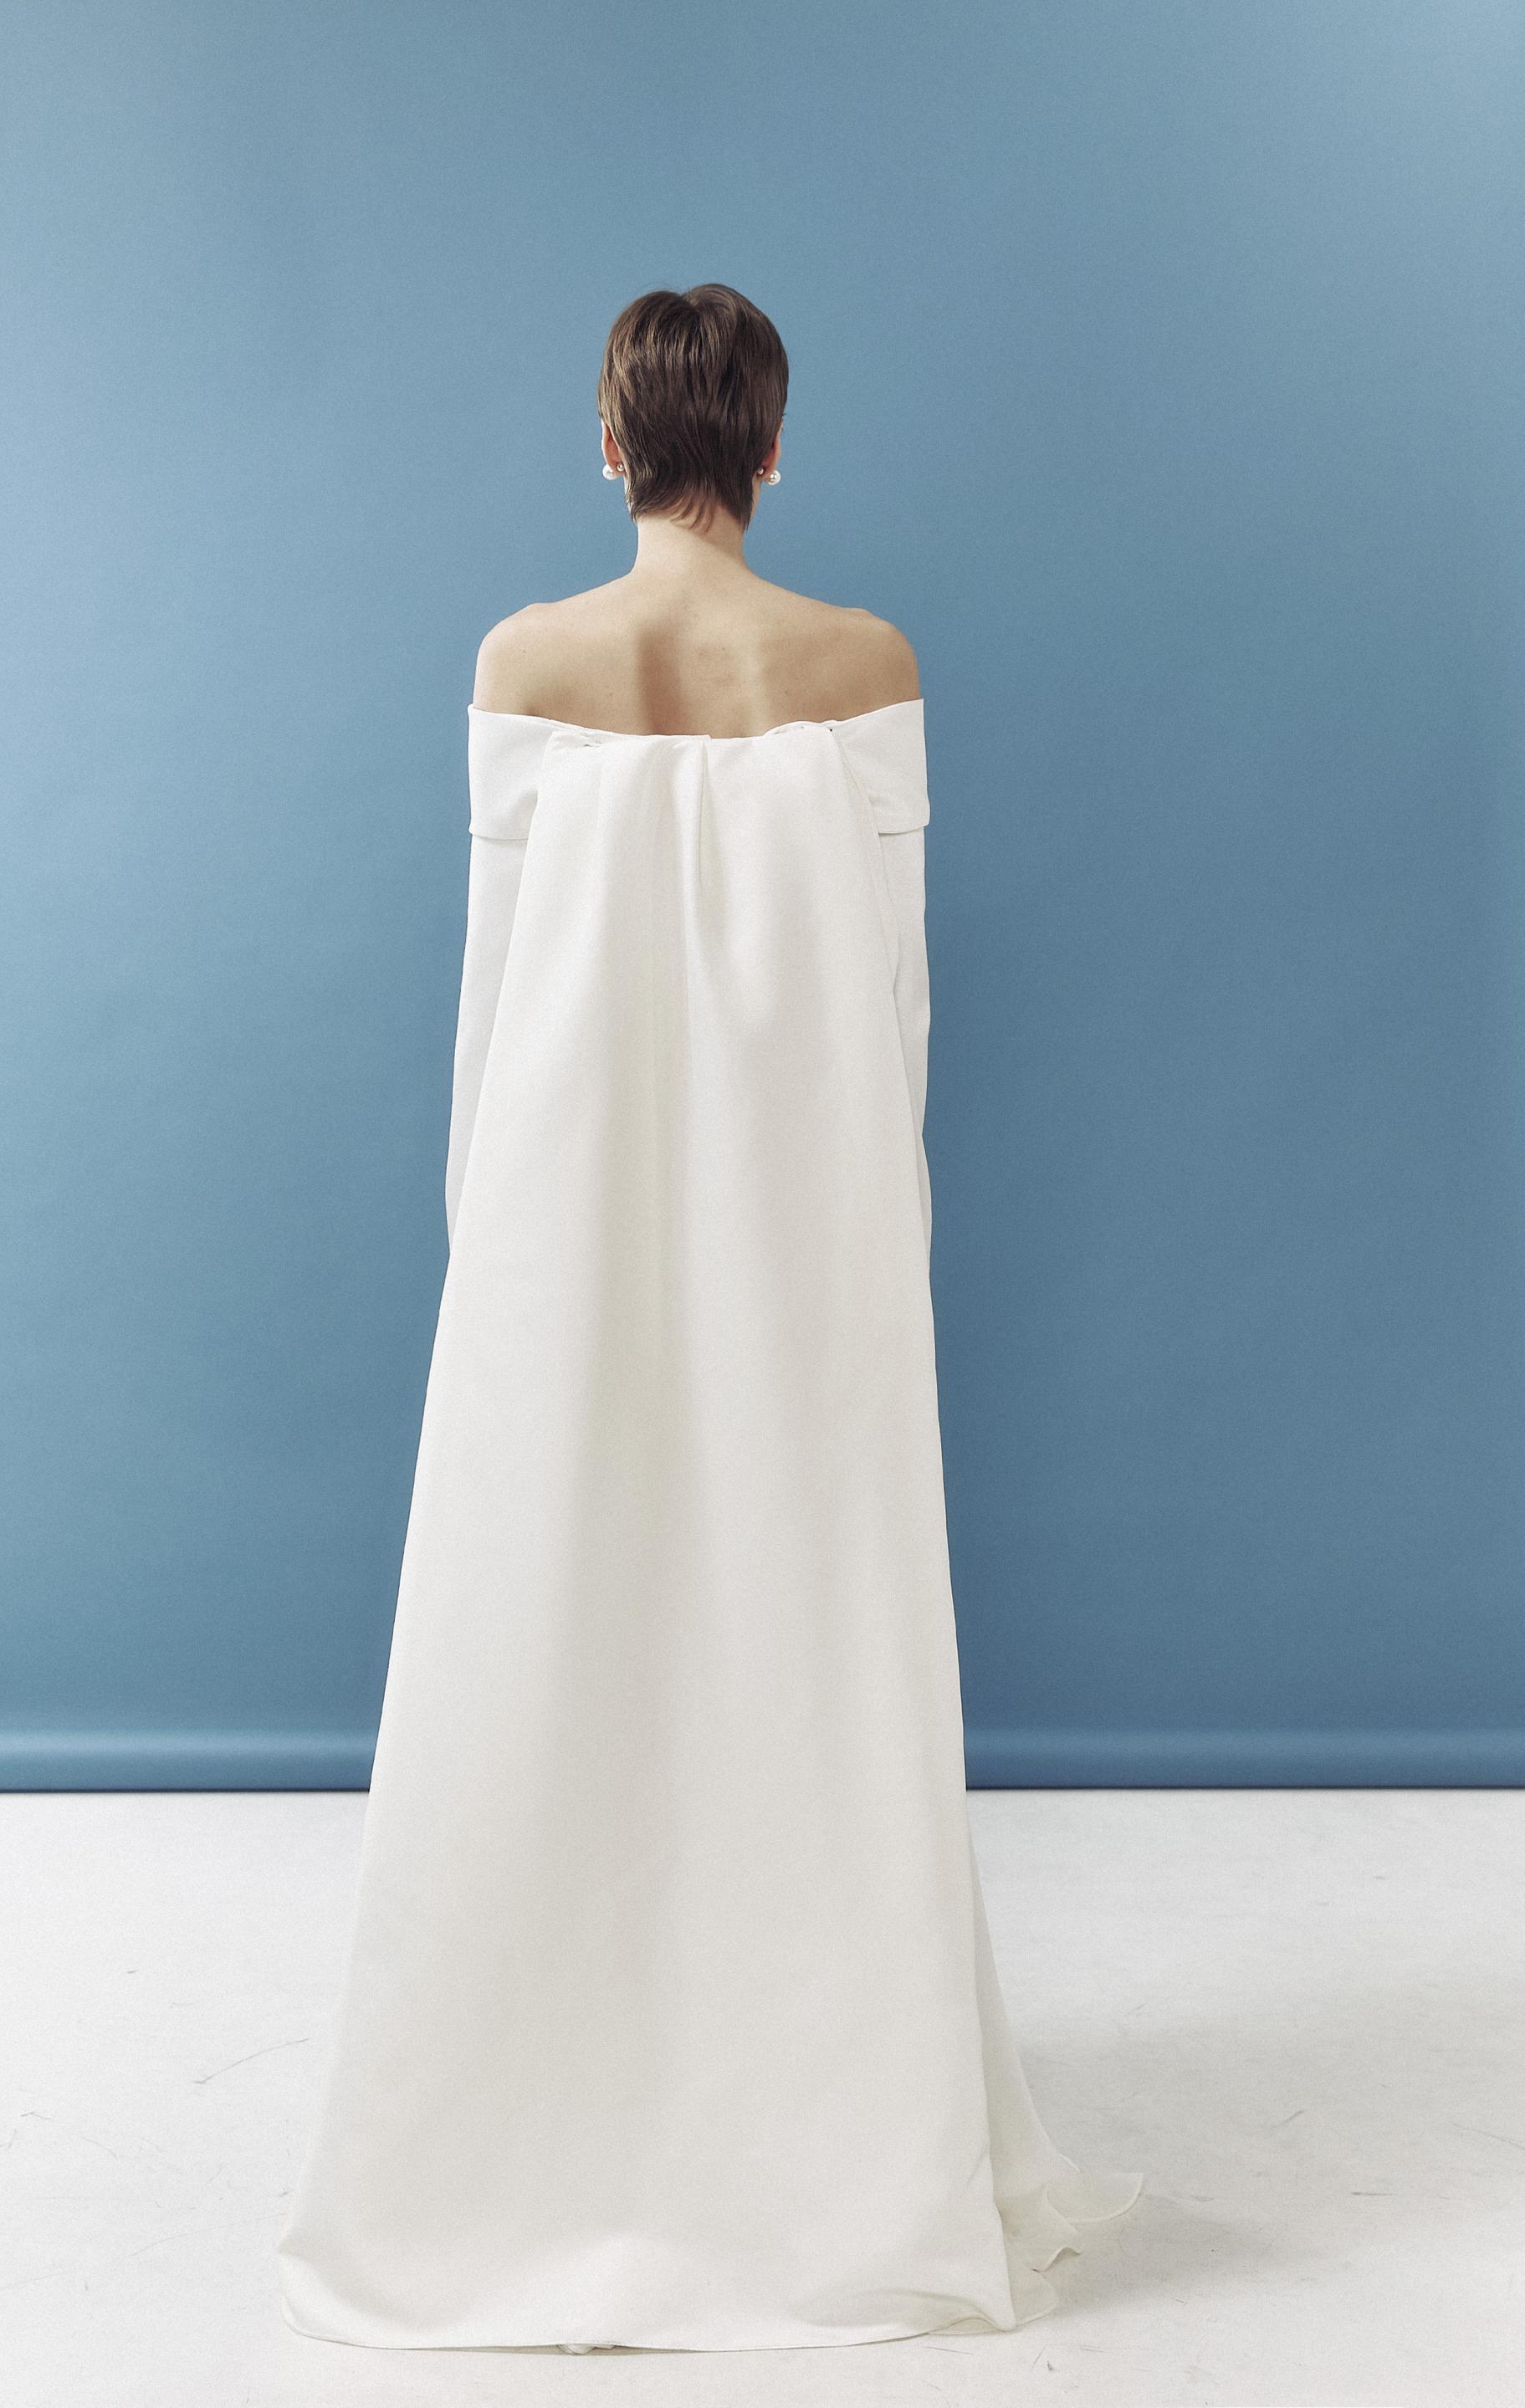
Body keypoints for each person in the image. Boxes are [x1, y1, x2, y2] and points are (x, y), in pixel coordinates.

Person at [275, 283, 1140, 2355]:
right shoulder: (865, 665)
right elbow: (895, 1008)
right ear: (768, 447)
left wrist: (489, 1230)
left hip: (557, 1213)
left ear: (608, 442)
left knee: (549, 1617)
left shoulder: (524, 662)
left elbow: (495, 997)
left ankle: (522, 2123)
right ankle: (829, 2130)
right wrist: (870, 1230)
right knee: (806, 1624)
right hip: (808, 1218)